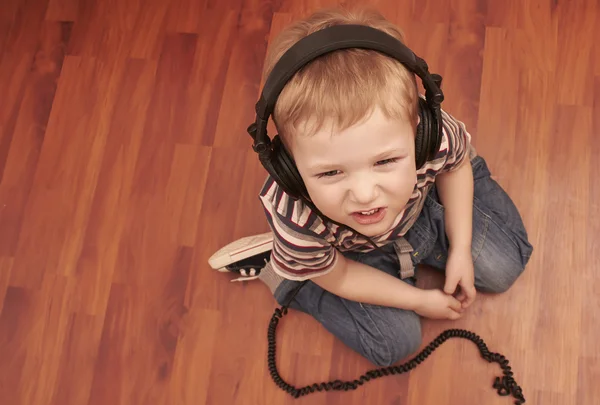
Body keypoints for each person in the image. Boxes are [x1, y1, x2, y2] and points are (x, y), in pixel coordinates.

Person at [208, 7, 533, 367]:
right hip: (353, 255)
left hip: (422, 206)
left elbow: (455, 170)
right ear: (288, 168)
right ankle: (288, 274)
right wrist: (419, 302)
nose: (364, 194)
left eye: (385, 161)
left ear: (419, 132)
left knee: (506, 267)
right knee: (395, 344)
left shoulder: (435, 138)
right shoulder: (295, 217)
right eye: (330, 173)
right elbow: (344, 276)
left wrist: (460, 248)